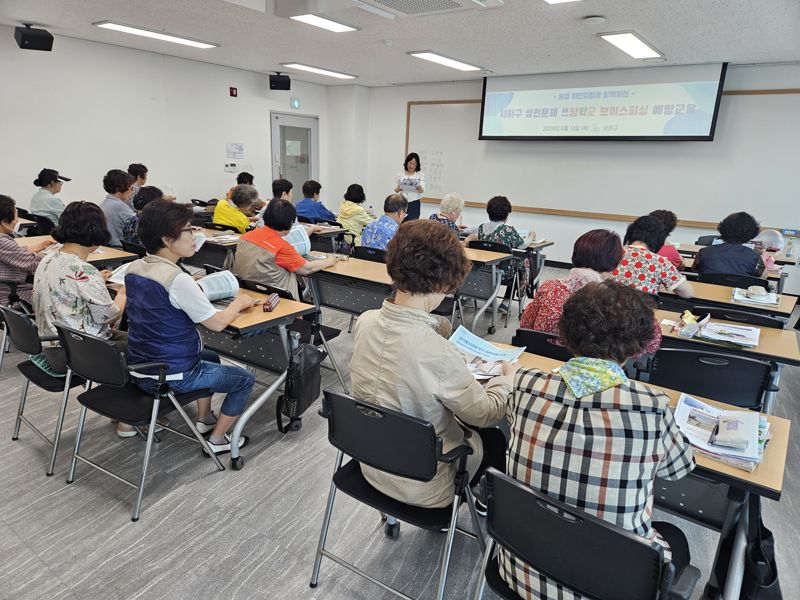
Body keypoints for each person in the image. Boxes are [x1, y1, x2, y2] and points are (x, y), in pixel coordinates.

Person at [501, 281, 695, 600]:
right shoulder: (650, 406)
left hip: (519, 569)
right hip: (609, 587)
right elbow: (678, 470)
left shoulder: (525, 385)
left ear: (565, 333)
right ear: (638, 346)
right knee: (676, 540)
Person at [350, 220, 517, 508]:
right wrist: (507, 380)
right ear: (443, 283)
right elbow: (485, 413)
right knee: (495, 437)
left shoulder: (365, 322)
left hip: (370, 462)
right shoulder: (439, 354)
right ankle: (485, 506)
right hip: (425, 484)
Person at [125, 199, 258, 454]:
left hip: (140, 365)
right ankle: (218, 441)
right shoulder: (177, 279)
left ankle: (205, 418)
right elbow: (217, 323)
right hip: (171, 374)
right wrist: (238, 304)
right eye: (187, 229)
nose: (193, 235)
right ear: (167, 239)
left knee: (209, 355)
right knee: (244, 379)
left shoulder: (136, 267)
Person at [520, 229, 662, 354]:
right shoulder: (620, 301)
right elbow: (652, 344)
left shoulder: (549, 287)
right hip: (594, 374)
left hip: (542, 360)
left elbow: (526, 326)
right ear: (615, 262)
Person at [32, 202, 127, 385]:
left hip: (52, 345)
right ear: (96, 231)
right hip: (78, 353)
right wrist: (122, 294)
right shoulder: (83, 271)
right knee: (149, 347)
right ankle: (139, 407)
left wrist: (94, 279)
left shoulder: (49, 256)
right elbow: (108, 317)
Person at [234, 199, 337, 300]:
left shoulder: (245, 237)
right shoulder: (281, 247)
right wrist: (329, 261)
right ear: (290, 223)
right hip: (278, 300)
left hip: (246, 294)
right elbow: (307, 269)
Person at [611, 215, 693, 298]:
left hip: (607, 307)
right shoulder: (660, 262)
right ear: (660, 239)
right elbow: (687, 293)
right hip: (642, 309)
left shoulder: (613, 253)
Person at [0, 195, 53, 306]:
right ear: (4, 221)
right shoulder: (2, 241)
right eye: (16, 216)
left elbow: (14, 253)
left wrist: (41, 245)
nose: (17, 220)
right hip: (12, 296)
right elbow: (36, 264)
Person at [695, 212, 765, 277]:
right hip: (739, 289)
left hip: (707, 289)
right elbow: (759, 275)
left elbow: (695, 269)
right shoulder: (754, 257)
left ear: (722, 228)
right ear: (752, 232)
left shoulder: (704, 252)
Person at [467, 196, 534, 249]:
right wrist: (531, 236)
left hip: (486, 264)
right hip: (502, 265)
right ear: (506, 214)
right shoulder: (508, 230)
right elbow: (523, 245)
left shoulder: (481, 228)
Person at [100, 169, 135, 247]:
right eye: (130, 187)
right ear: (122, 187)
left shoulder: (104, 203)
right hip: (119, 248)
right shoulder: (119, 206)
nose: (131, 191)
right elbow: (138, 226)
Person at [393, 152, 425, 221]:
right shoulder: (401, 175)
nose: (411, 166)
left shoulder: (419, 175)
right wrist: (399, 188)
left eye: (414, 164)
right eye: (410, 163)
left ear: (417, 165)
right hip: (401, 202)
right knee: (400, 223)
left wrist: (418, 187)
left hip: (414, 204)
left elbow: (422, 190)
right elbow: (396, 190)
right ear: (407, 162)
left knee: (412, 225)